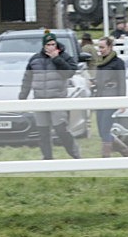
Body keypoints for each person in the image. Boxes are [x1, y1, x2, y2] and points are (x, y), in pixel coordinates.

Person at [19, 31, 81, 160]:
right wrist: (22, 97)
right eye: (48, 44)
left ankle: (75, 153)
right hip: (39, 100)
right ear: (44, 46)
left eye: (53, 44)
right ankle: (47, 157)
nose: (51, 47)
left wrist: (56, 59)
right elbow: (27, 79)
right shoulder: (35, 59)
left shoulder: (64, 57)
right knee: (43, 132)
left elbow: (69, 73)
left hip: (57, 99)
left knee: (61, 129)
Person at [94, 36, 128, 158]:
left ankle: (105, 155)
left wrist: (122, 101)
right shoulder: (99, 62)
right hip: (99, 97)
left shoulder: (118, 63)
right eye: (99, 47)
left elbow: (122, 82)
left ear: (110, 47)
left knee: (106, 128)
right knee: (101, 130)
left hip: (111, 97)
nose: (100, 50)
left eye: (102, 47)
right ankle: (126, 151)